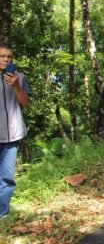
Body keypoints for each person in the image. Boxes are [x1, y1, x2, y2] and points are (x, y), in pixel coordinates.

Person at [0, 41, 30, 219]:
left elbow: (25, 104)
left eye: (9, 57)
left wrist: (16, 86)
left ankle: (2, 215)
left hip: (12, 135)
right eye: (2, 56)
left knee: (7, 179)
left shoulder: (20, 77)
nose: (6, 59)